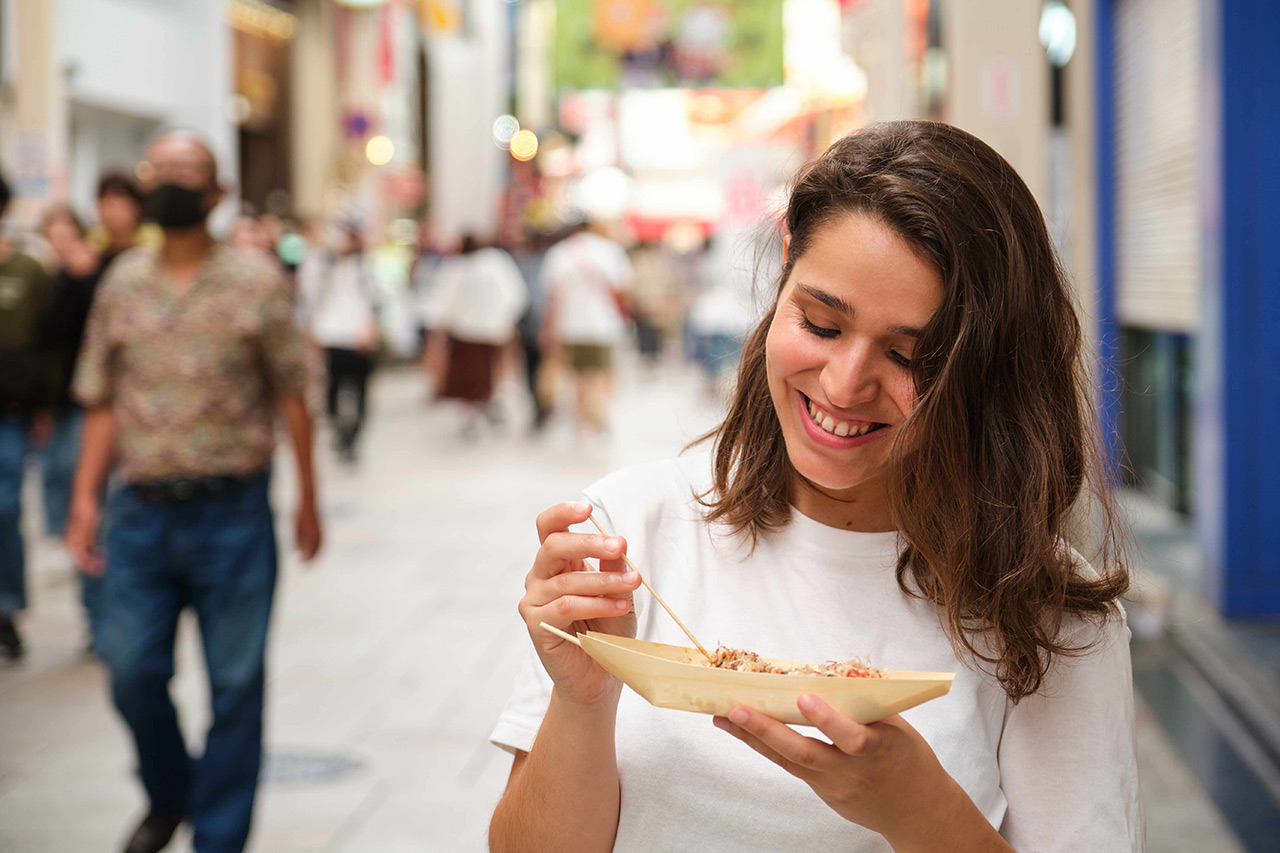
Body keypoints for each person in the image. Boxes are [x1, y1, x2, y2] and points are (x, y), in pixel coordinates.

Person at [489, 122, 1142, 852]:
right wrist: (583, 701)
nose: (844, 383)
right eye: (822, 323)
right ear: (780, 292)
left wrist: (920, 812)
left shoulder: (1049, 613)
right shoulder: (634, 529)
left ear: (985, 376)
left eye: (906, 355)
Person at [65, 131, 323, 853]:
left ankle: (219, 836)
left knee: (236, 685)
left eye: (188, 172)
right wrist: (84, 498)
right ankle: (171, 791)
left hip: (233, 512)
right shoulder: (121, 283)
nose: (171, 181)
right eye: (161, 170)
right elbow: (102, 398)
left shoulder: (257, 282)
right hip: (140, 512)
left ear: (217, 193)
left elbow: (293, 395)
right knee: (130, 670)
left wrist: (308, 498)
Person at [38, 205, 107, 649]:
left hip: (89, 406)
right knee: (70, 506)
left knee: (91, 505)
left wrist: (79, 278)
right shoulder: (42, 276)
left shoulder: (94, 274)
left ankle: (99, 611)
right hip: (57, 407)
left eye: (68, 232)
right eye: (54, 233)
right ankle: (92, 607)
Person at [0, 170, 56, 660]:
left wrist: (43, 405)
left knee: (6, 508)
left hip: (11, 411)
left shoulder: (28, 271)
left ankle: (8, 607)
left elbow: (46, 342)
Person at [426, 234, 528, 438]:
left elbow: (444, 300)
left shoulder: (472, 266)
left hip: (473, 330)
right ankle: (481, 407)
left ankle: (479, 408)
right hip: (485, 329)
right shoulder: (490, 264)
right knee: (483, 371)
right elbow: (514, 296)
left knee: (476, 373)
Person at [539, 220, 634, 436]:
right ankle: (596, 414)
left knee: (575, 376)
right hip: (604, 325)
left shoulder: (559, 253)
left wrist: (547, 329)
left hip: (568, 326)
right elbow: (622, 290)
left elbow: (552, 298)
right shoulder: (611, 251)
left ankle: (580, 420)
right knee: (600, 373)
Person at [297, 220, 380, 462]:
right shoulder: (320, 265)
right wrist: (310, 333)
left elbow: (377, 300)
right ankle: (338, 430)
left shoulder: (365, 266)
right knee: (333, 388)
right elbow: (309, 300)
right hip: (331, 335)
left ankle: (353, 436)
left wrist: (371, 328)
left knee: (361, 390)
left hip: (360, 336)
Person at [92, 171, 148, 267]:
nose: (110, 213)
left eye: (119, 206)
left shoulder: (155, 244)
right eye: (105, 205)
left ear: (136, 207)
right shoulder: (92, 246)